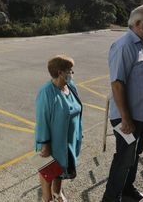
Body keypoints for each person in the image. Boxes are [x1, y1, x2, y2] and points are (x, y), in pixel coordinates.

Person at [102, 4, 143, 202]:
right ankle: (112, 198)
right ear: (138, 24)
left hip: (142, 115)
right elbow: (117, 84)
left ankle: (127, 188)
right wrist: (125, 119)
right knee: (124, 158)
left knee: (135, 154)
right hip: (127, 118)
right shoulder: (124, 46)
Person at [35, 55, 83, 202]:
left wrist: (79, 133)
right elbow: (42, 120)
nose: (71, 73)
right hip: (54, 141)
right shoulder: (47, 92)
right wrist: (45, 144)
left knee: (62, 168)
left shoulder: (71, 86)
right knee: (49, 170)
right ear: (60, 72)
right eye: (69, 70)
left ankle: (57, 192)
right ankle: (47, 197)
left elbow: (77, 110)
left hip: (70, 138)